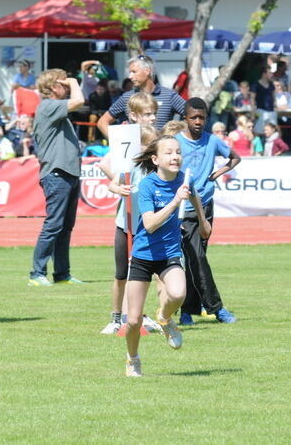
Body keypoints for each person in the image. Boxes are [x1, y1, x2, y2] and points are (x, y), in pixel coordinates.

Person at [123, 135, 211, 377]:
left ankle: (164, 317)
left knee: (178, 293)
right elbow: (150, 224)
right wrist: (175, 201)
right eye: (169, 152)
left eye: (178, 152)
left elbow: (194, 195)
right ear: (155, 159)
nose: (175, 157)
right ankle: (133, 359)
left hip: (169, 253)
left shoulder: (184, 180)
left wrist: (203, 221)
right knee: (133, 321)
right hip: (143, 255)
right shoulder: (147, 185)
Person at [176, 97, 240, 325]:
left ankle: (187, 311)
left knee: (196, 258)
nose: (198, 121)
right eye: (193, 117)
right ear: (185, 118)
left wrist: (217, 174)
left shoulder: (212, 141)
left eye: (202, 117)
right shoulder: (176, 142)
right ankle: (216, 308)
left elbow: (235, 158)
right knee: (196, 257)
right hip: (184, 208)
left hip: (205, 204)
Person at [28, 69, 85, 286]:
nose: (68, 87)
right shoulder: (48, 106)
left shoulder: (54, 108)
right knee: (53, 224)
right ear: (53, 87)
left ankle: (62, 273)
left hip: (68, 172)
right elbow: (79, 101)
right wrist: (74, 80)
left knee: (65, 227)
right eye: (64, 84)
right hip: (57, 172)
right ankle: (37, 273)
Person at [100, 123, 159, 335]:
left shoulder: (157, 171)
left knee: (143, 276)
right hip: (125, 226)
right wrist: (120, 189)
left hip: (145, 229)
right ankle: (116, 318)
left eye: (152, 144)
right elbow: (112, 185)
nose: (148, 148)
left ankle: (140, 316)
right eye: (145, 144)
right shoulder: (130, 166)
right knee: (121, 275)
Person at [97, 55, 185, 136]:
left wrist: (180, 139)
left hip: (162, 147)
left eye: (134, 72)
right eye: (130, 72)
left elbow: (190, 116)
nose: (130, 76)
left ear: (147, 71)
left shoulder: (169, 95)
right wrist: (117, 142)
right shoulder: (127, 97)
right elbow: (102, 122)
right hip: (135, 148)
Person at [251, 64, 276, 134]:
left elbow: (274, 98)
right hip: (260, 111)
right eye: (269, 73)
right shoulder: (256, 85)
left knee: (272, 132)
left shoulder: (271, 85)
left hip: (271, 112)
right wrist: (253, 114)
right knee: (259, 132)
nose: (271, 75)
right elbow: (252, 99)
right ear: (264, 74)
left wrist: (275, 109)